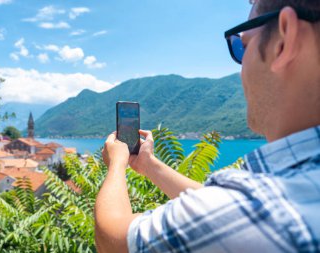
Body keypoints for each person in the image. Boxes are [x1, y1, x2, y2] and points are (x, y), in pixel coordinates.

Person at [94, 0, 320, 252]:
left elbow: (112, 239)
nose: (240, 70)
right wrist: (148, 165)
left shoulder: (266, 212)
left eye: (240, 47)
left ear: (283, 41)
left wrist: (117, 164)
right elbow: (218, 209)